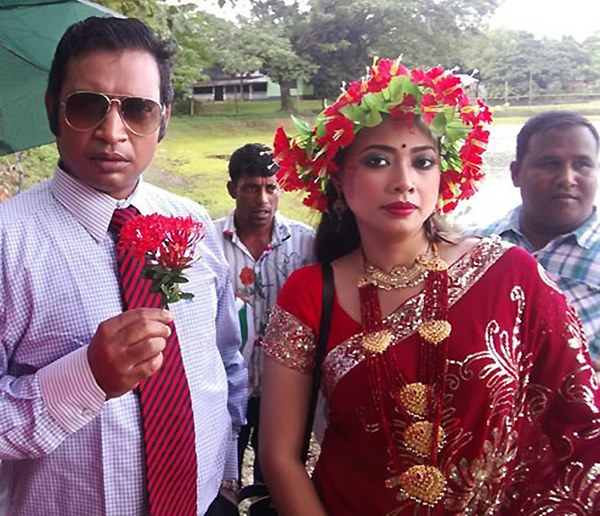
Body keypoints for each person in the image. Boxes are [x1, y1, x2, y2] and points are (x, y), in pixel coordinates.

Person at [258, 59, 600, 515]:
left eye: (423, 162)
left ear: (444, 176)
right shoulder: (309, 292)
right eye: (378, 161)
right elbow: (279, 456)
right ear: (338, 178)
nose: (404, 182)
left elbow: (579, 419)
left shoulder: (510, 273)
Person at [0, 16, 247, 515]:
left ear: (164, 119)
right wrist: (86, 376)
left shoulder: (193, 223)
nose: (112, 132)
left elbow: (223, 360)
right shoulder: (8, 241)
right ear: (52, 110)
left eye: (137, 109)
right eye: (86, 106)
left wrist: (225, 472)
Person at [214, 143, 315, 484]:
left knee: (275, 483)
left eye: (271, 188)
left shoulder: (305, 245)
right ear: (232, 189)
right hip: (226, 390)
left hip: (285, 392)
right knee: (220, 480)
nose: (262, 200)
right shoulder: (208, 244)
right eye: (251, 188)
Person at [479, 111, 600, 368]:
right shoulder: (471, 248)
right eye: (550, 164)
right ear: (516, 173)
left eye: (582, 165)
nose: (567, 179)